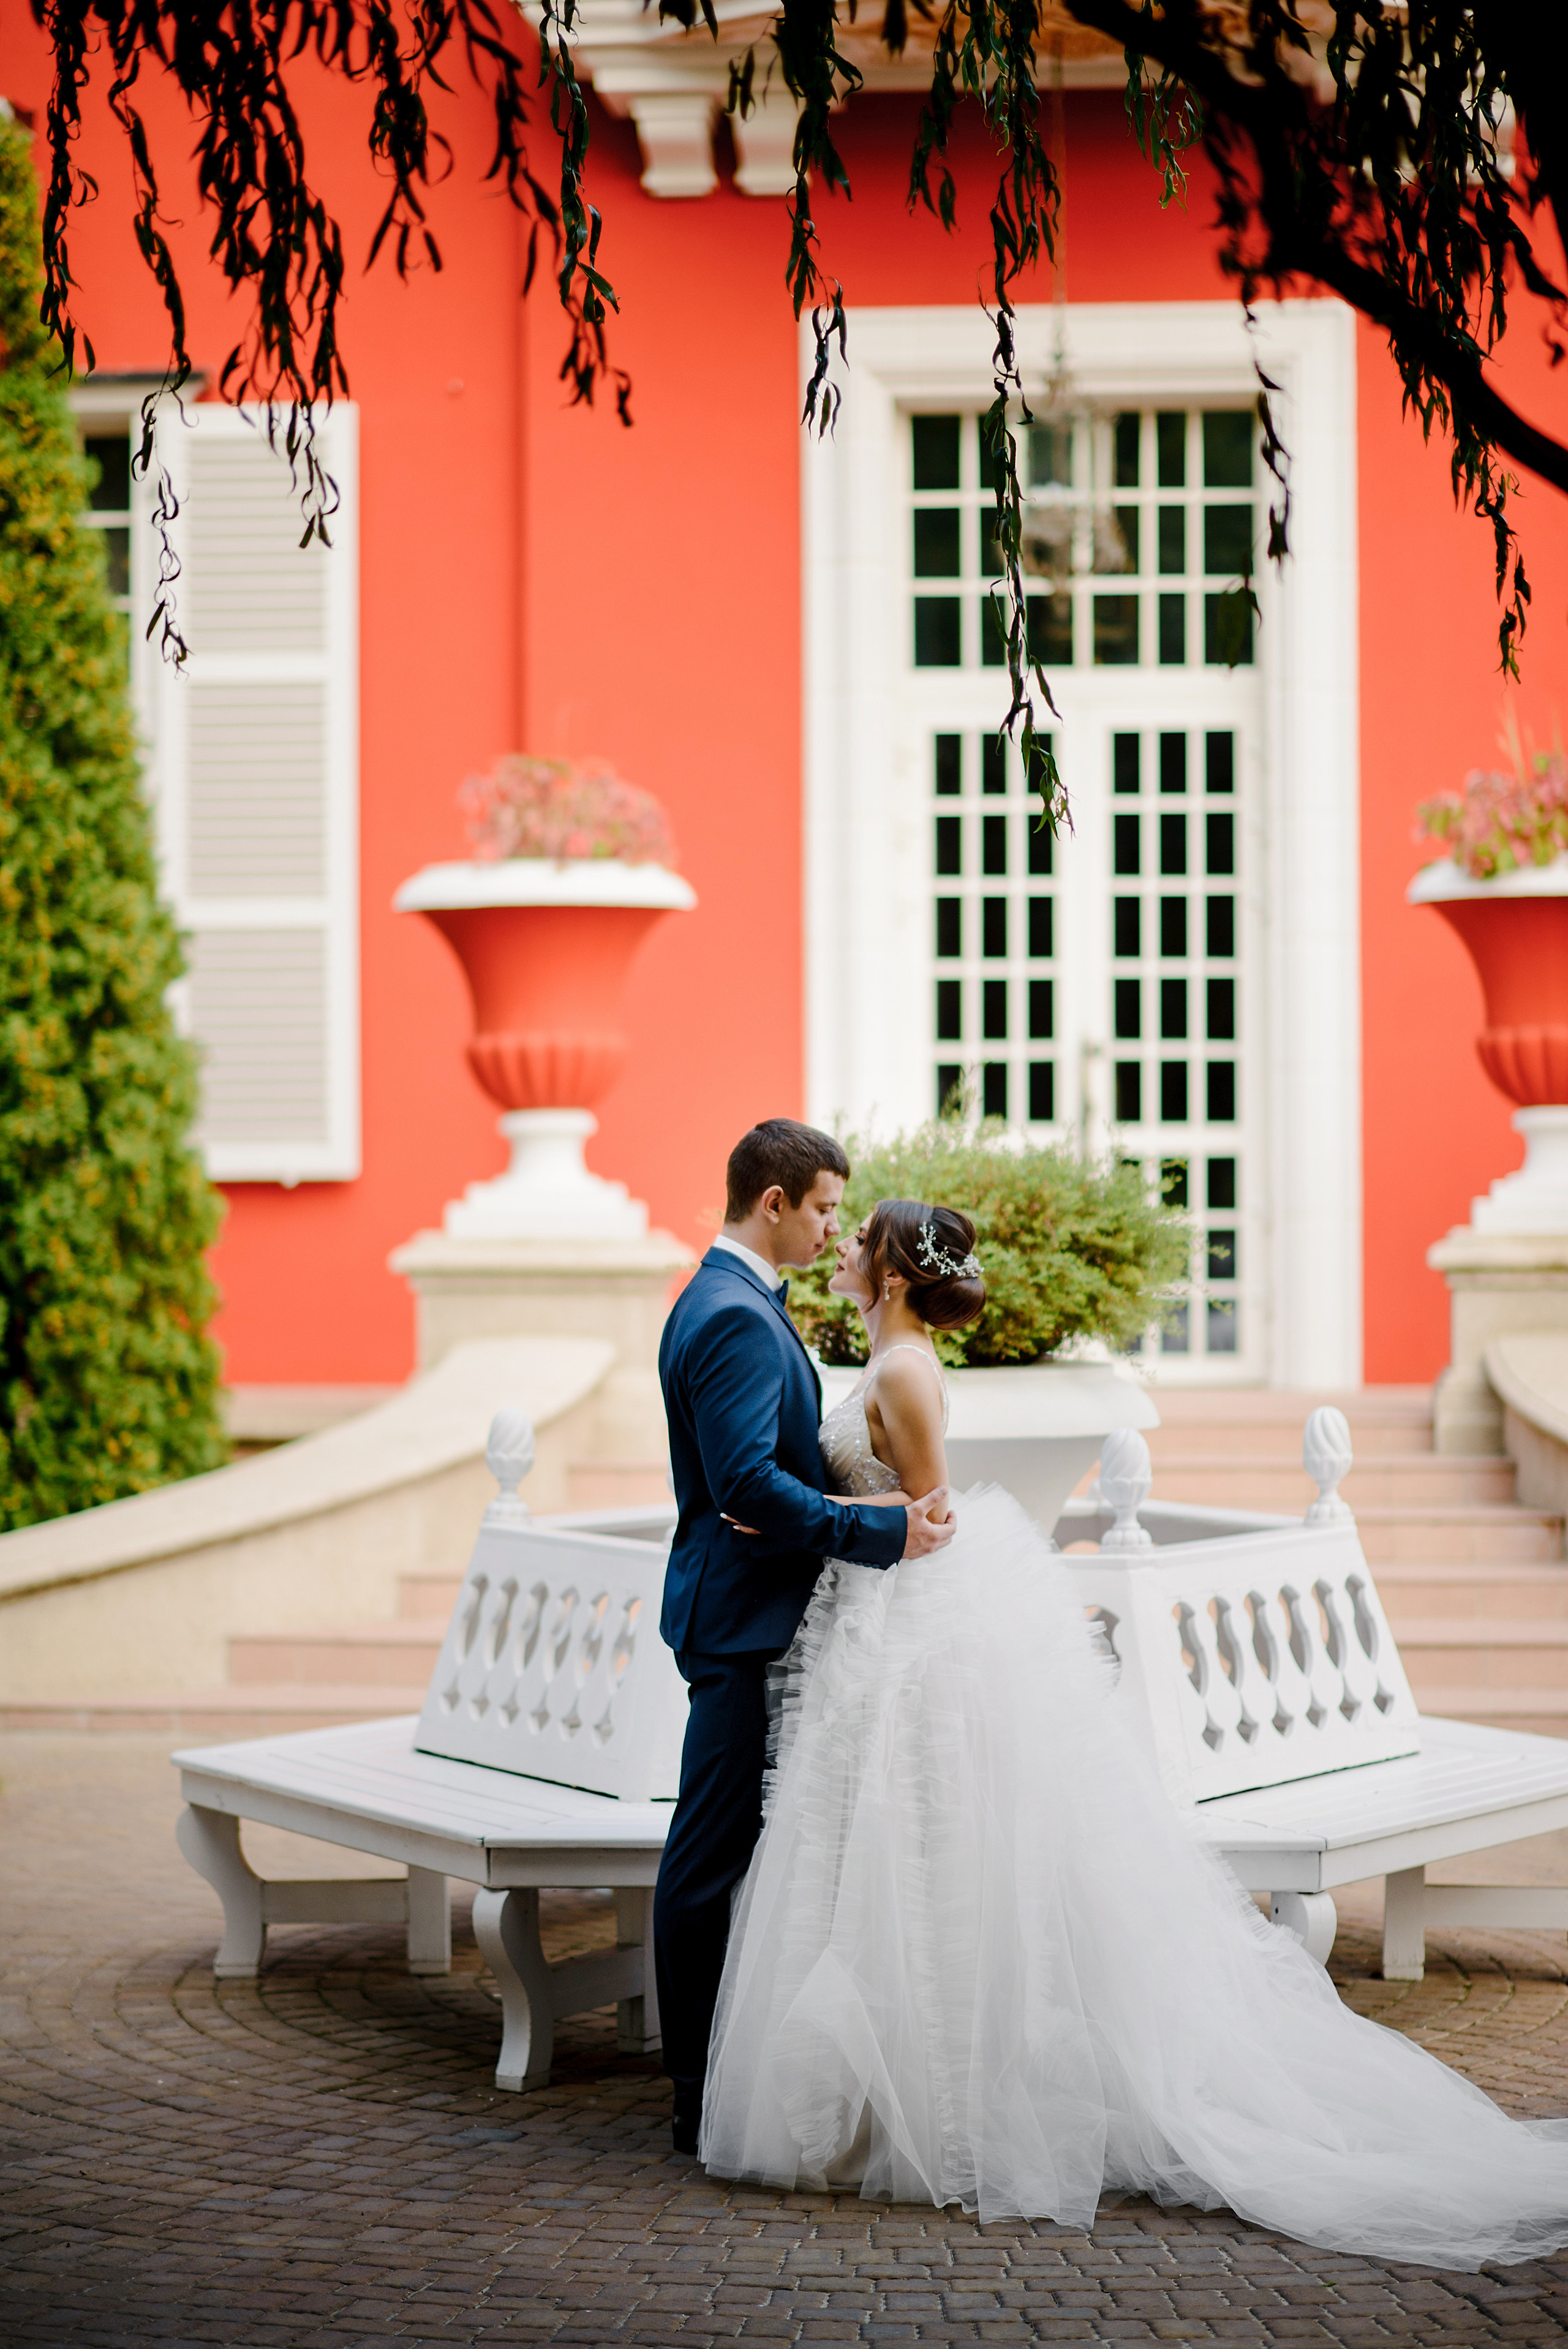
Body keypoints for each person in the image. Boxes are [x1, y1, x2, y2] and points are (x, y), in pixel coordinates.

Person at [698, 1196, 1568, 2269]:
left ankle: (936, 2109)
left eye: (856, 1237)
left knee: (919, 1851)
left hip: (908, 1632)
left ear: (885, 1272)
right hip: (872, 1627)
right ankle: (884, 2102)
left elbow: (928, 1523)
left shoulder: (907, 1373)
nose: (841, 1250)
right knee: (884, 1854)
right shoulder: (890, 1362)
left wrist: (814, 1514)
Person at [654, 1123, 957, 2157]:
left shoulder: (734, 1302)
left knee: (753, 1852)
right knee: (710, 1858)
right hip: (741, 1626)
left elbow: (767, 1478)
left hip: (762, 1615)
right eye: (826, 1207)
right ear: (773, 1202)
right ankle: (699, 2095)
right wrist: (868, 1524)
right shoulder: (737, 1316)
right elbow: (744, 1486)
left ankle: (737, 2078)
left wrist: (813, 1500)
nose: (835, 1229)